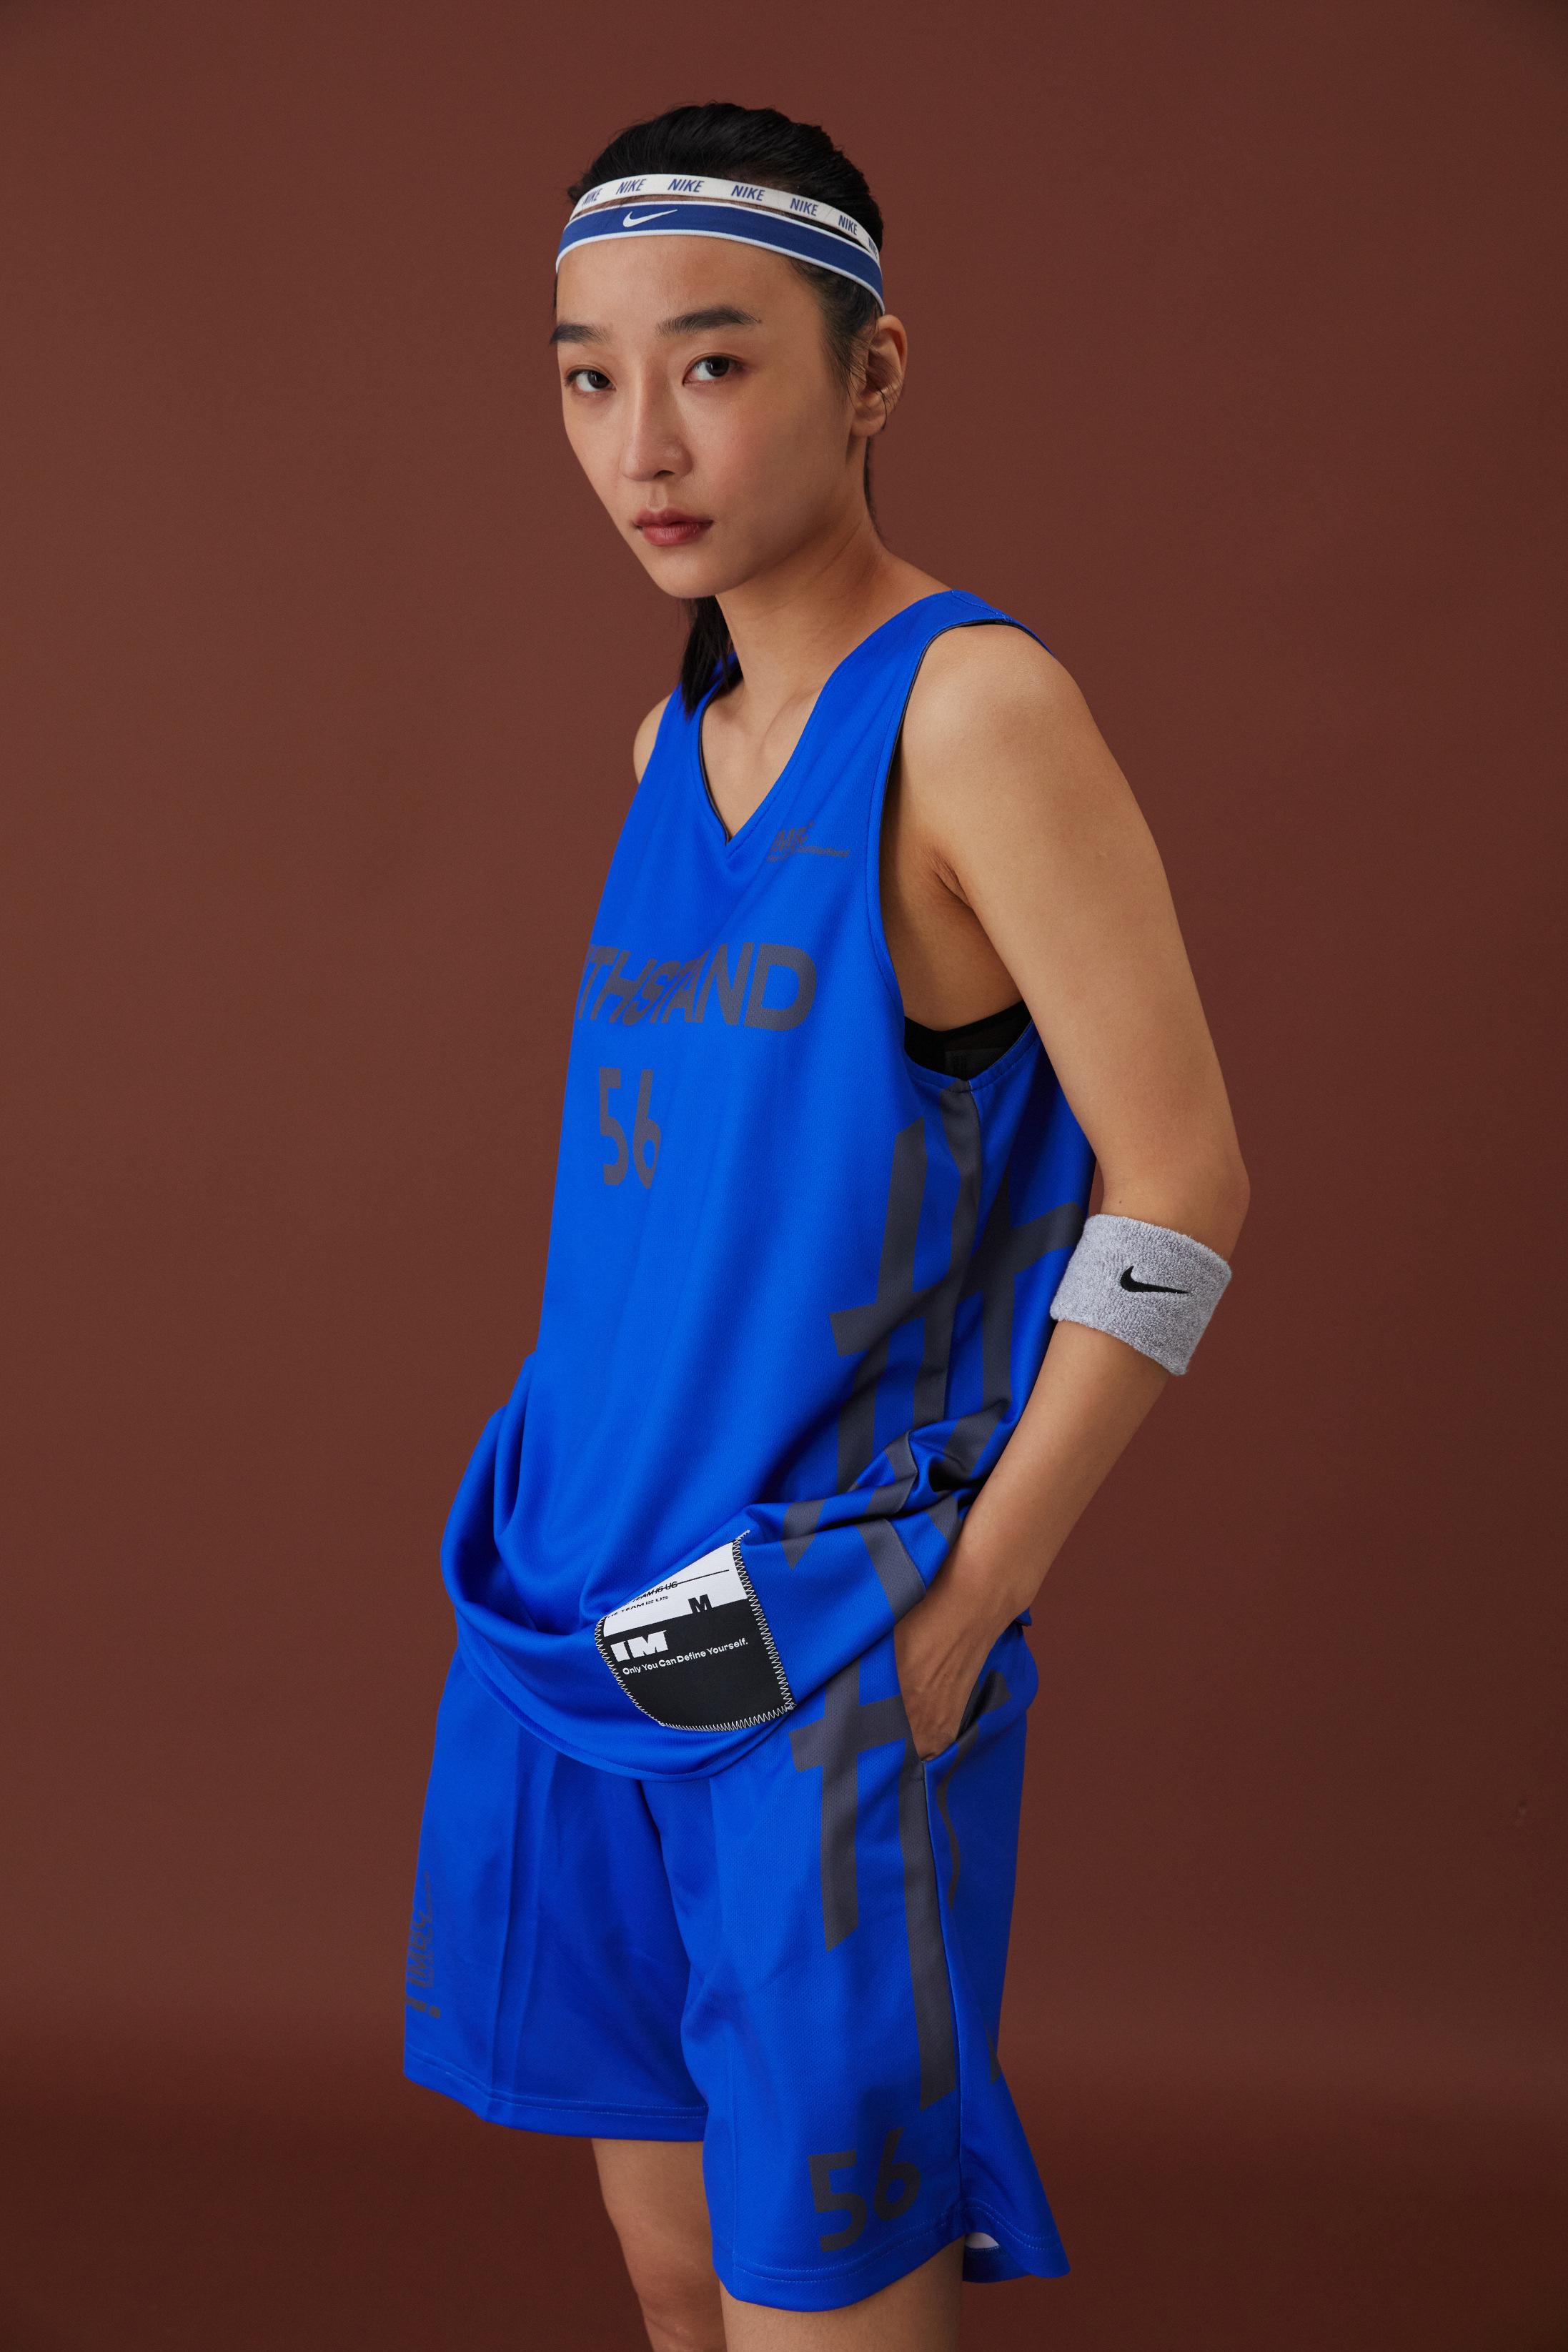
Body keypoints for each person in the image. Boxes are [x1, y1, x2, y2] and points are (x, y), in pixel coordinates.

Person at [403, 99, 1249, 2352]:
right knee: (674, 2270)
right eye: (588, 375)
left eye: (712, 361)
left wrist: (972, 1597)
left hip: (803, 1632)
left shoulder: (972, 712)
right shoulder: (666, 742)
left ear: (869, 375)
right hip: (587, 1607)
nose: (641, 442)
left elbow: (1182, 1184)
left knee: (817, 2298)